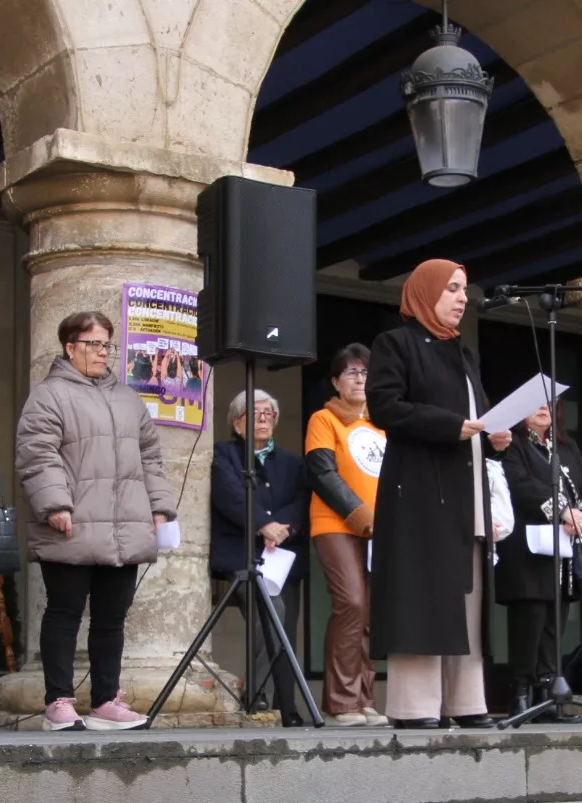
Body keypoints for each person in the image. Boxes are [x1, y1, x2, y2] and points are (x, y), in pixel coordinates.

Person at [365, 258, 511, 729]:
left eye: (464, 289)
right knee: (422, 596)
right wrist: (451, 426)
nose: (462, 298)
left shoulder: (464, 354)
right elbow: (386, 407)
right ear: (426, 292)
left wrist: (496, 437)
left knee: (465, 599)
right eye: (451, 288)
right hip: (421, 493)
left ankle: (466, 702)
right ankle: (414, 708)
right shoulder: (397, 343)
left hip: (466, 492)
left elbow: (479, 418)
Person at [17, 311, 177, 732]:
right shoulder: (49, 395)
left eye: (107, 345)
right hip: (71, 524)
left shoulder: (127, 399)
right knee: (64, 612)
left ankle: (106, 701)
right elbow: (38, 453)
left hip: (124, 526)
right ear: (70, 347)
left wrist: (159, 507)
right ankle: (58, 702)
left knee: (111, 618)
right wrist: (55, 504)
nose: (102, 353)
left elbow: (150, 458)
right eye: (93, 344)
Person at [495, 402, 582, 723]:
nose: (543, 408)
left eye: (548, 403)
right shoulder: (513, 445)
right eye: (534, 403)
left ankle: (549, 697)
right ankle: (522, 696)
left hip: (562, 549)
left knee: (556, 618)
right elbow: (518, 484)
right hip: (526, 549)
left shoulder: (567, 446)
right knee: (531, 618)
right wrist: (562, 511)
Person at [210, 389, 309, 724]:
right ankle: (257, 693)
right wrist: (263, 524)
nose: (264, 418)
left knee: (283, 631)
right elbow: (229, 495)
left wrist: (285, 528)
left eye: (269, 413)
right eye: (254, 413)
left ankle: (285, 708)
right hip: (240, 556)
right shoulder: (224, 454)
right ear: (237, 424)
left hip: (281, 558)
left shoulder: (294, 462)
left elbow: (300, 501)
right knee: (273, 613)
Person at [304, 343, 386, 726]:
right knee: (351, 602)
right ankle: (339, 703)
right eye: (351, 373)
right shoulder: (325, 419)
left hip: (380, 529)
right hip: (337, 525)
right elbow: (322, 473)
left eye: (366, 373)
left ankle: (364, 698)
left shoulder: (381, 423)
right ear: (336, 381)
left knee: (370, 611)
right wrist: (362, 516)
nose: (359, 379)